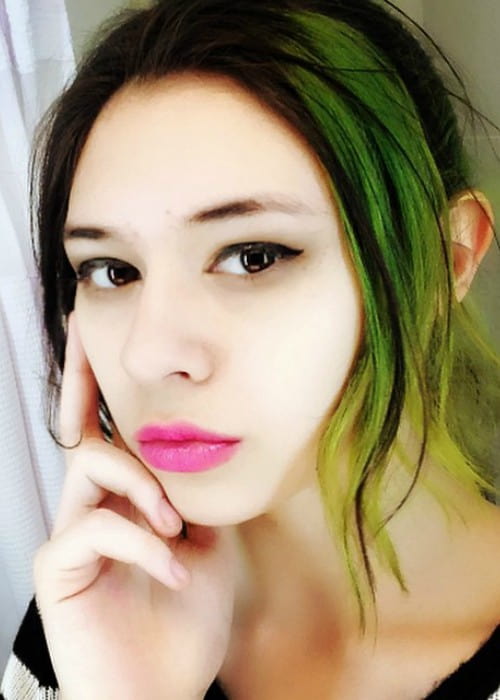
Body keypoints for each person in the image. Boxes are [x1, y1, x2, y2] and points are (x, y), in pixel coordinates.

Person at [1, 0, 500, 698]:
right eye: (111, 271)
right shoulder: (94, 613)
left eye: (253, 256)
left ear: (447, 259)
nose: (149, 356)